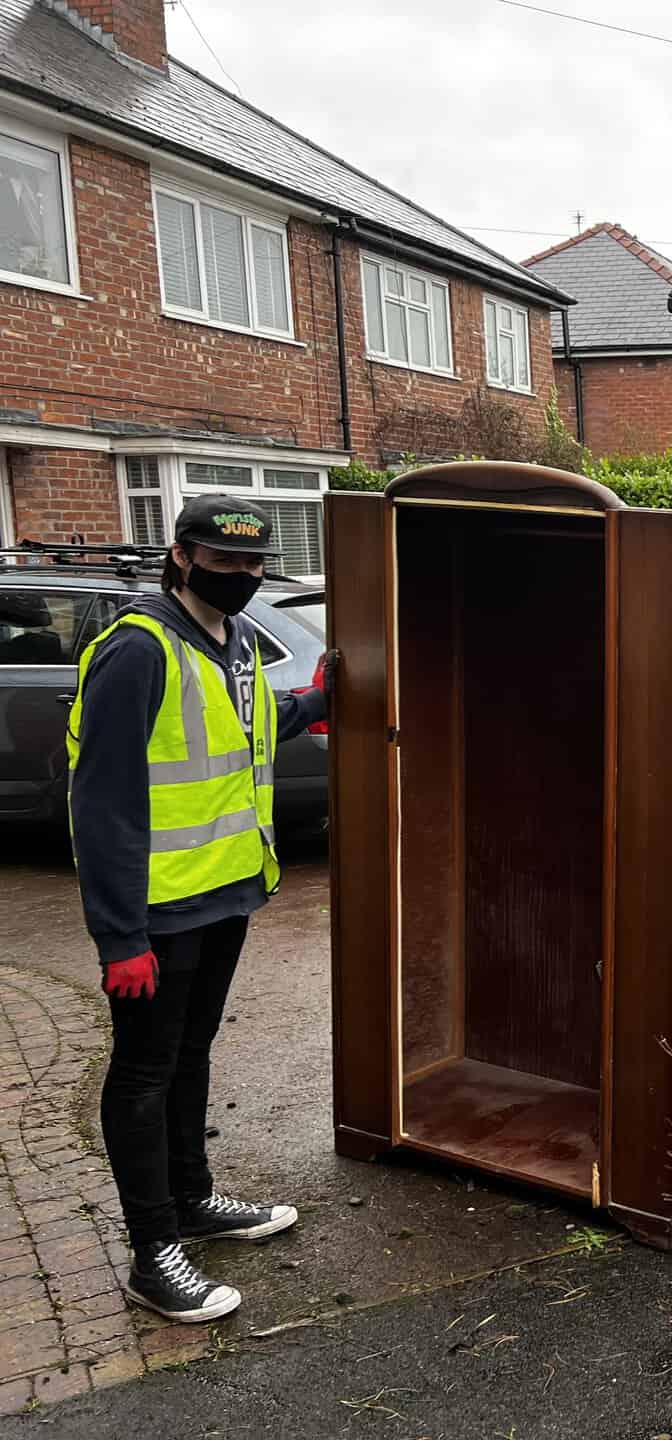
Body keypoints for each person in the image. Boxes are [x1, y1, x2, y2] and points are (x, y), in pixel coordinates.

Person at [66, 495, 331, 1323]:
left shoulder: (241, 639)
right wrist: (119, 938)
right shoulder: (137, 649)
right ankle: (153, 1253)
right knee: (143, 1074)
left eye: (253, 565)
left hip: (224, 895)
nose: (243, 578)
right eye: (225, 563)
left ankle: (193, 1203)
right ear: (182, 556)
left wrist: (319, 700)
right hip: (155, 914)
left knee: (190, 1054)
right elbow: (100, 803)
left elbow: (250, 733)